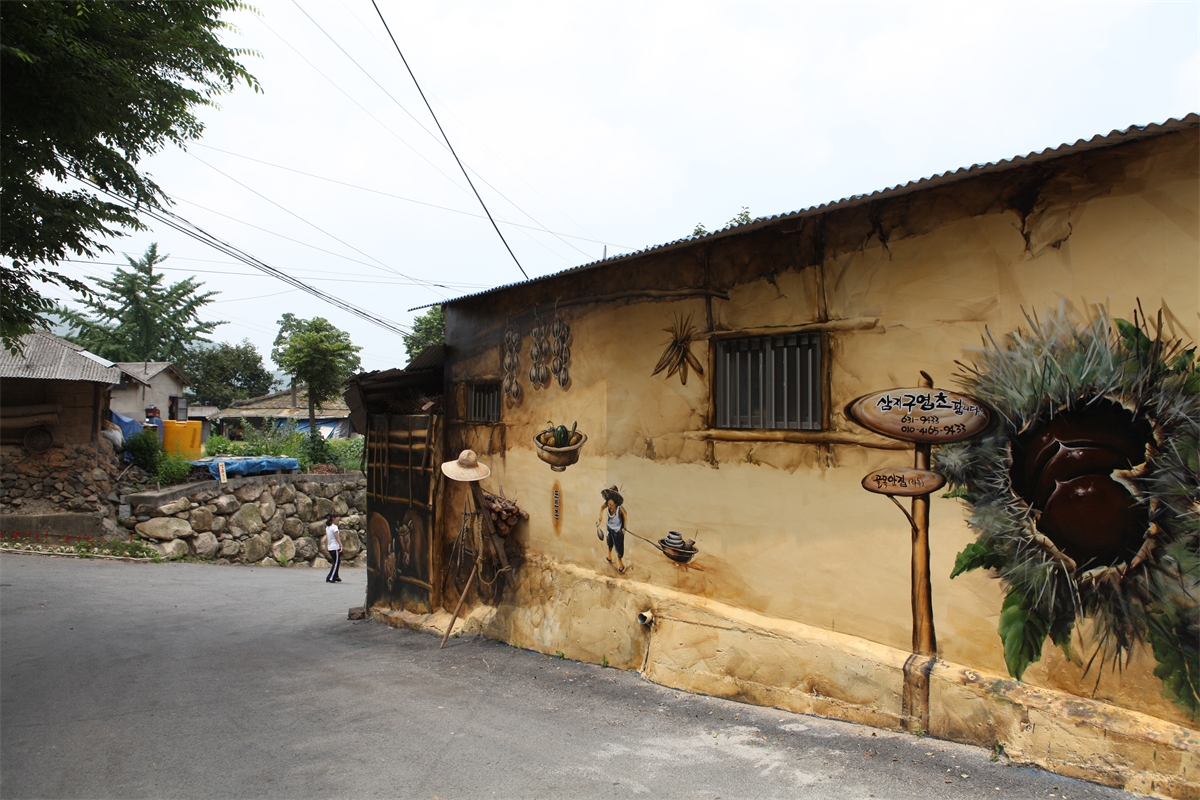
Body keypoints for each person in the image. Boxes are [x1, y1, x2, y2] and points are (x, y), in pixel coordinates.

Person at [597, 486, 627, 573]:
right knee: (609, 543)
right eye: (608, 504)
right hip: (610, 528)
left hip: (618, 531)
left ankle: (621, 564)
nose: (609, 506)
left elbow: (625, 515)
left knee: (618, 548)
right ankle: (609, 557)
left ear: (616, 503)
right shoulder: (607, 504)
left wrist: (624, 528)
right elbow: (602, 508)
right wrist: (600, 516)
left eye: (611, 504)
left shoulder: (619, 508)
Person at [325, 514, 342, 583]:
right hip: (335, 547)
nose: (337, 519)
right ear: (333, 518)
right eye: (336, 518)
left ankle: (336, 576)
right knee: (336, 562)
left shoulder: (327, 527)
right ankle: (331, 577)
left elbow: (327, 538)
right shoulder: (334, 527)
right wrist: (341, 545)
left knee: (336, 561)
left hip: (330, 547)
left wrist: (327, 546)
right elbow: (337, 537)